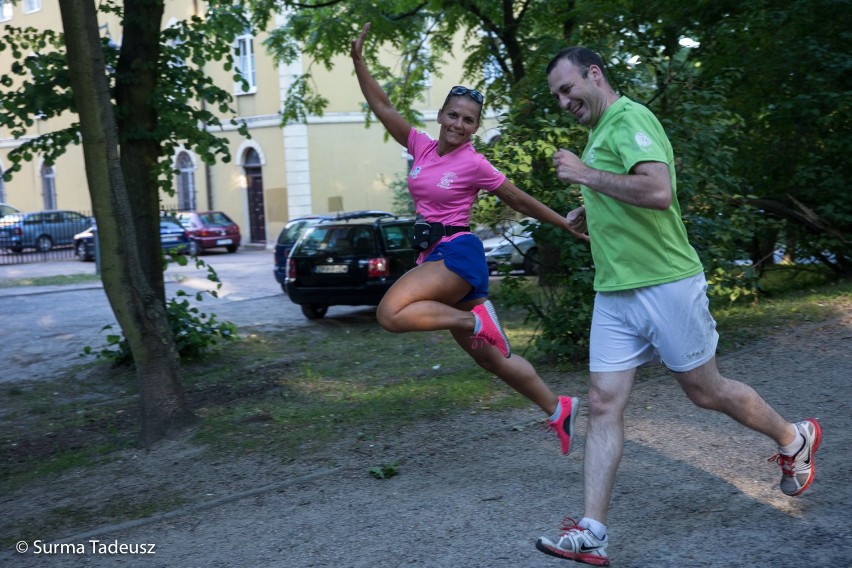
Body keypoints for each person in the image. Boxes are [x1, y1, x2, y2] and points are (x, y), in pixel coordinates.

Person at [535, 47, 822, 566]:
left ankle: (792, 436)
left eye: (567, 88)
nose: (562, 101)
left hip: (667, 284)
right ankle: (593, 531)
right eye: (556, 95)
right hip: (615, 291)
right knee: (602, 403)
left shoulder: (630, 117)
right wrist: (590, 210)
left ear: (594, 75)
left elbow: (659, 190)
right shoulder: (599, 135)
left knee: (705, 392)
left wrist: (585, 178)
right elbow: (624, 190)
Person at [351, 23, 581, 454]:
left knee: (389, 314)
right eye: (453, 115)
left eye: (468, 120)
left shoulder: (474, 163)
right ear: (440, 115)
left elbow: (519, 199)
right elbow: (381, 104)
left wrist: (564, 224)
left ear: (475, 128)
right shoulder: (420, 146)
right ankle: (557, 408)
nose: (459, 124)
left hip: (458, 254)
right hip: (433, 258)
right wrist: (359, 62)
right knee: (490, 358)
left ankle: (476, 320)